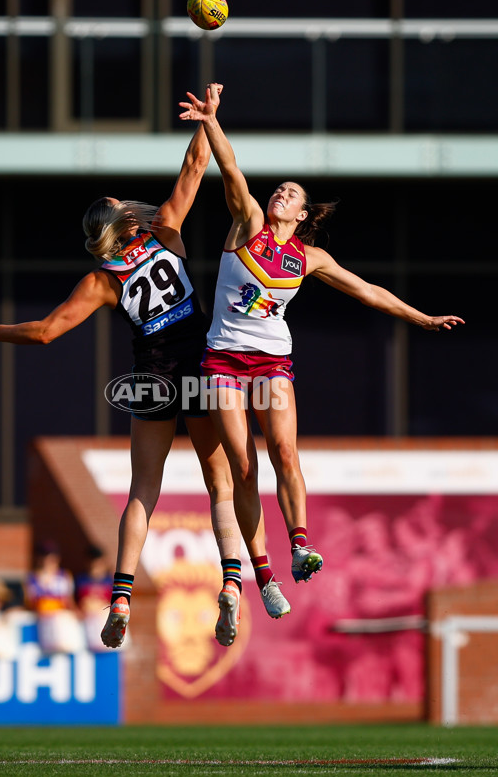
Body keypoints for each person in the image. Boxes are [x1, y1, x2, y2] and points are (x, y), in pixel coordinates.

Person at [0, 87, 290, 652]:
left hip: (151, 374)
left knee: (142, 491)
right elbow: (197, 165)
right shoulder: (166, 231)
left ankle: (121, 596)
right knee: (220, 482)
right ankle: (231, 584)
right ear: (127, 217)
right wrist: (209, 119)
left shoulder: (101, 278)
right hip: (200, 365)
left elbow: (47, 331)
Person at [179, 84, 465, 622]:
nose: (280, 193)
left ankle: (300, 543)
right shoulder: (248, 225)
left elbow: (369, 292)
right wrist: (212, 119)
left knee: (285, 453)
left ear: (305, 214)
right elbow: (231, 169)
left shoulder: (310, 257)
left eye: (291, 192)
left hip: (272, 363)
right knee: (243, 466)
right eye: (279, 188)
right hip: (222, 362)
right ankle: (262, 577)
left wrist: (422, 317)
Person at [24, 539, 84, 654]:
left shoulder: (64, 576)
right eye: (45, 556)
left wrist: (77, 612)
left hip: (61, 623)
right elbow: (29, 603)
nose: (48, 560)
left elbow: (69, 601)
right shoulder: (32, 578)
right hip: (41, 623)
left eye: (51, 556)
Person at [75, 545, 115, 651]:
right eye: (93, 562)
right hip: (86, 626)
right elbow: (74, 601)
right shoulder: (80, 580)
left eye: (98, 563)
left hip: (104, 624)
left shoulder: (110, 582)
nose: (95, 566)